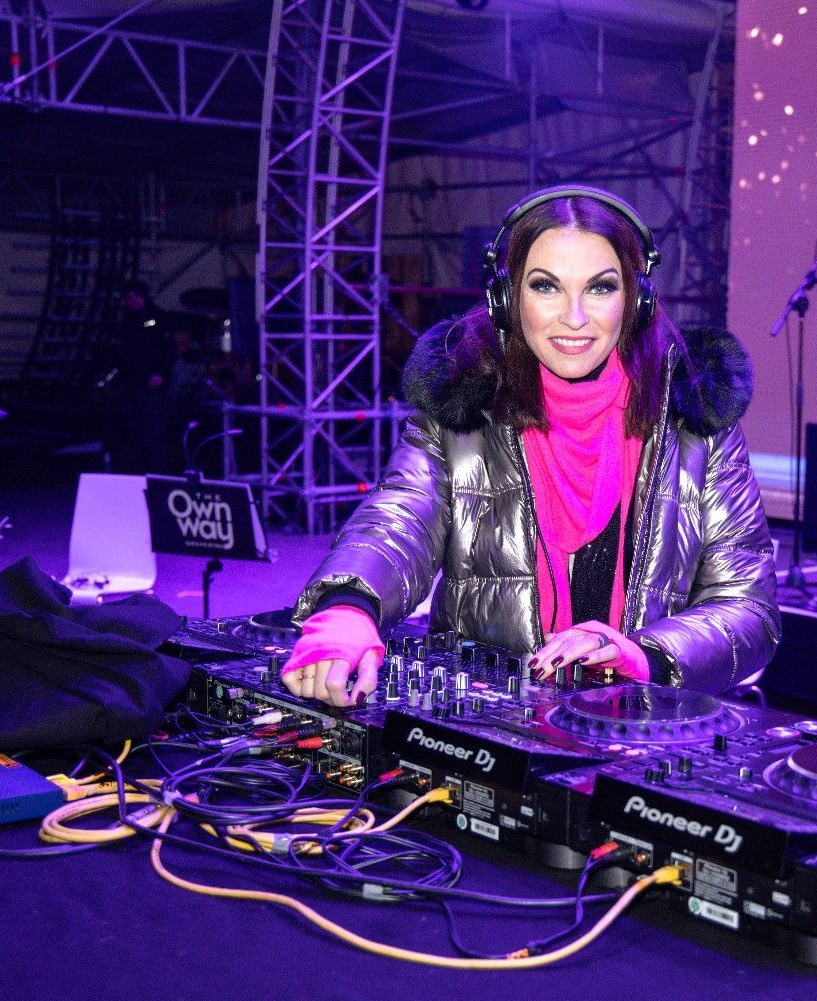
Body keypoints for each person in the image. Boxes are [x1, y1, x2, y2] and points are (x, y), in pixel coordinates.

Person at [282, 185, 778, 705]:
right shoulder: (462, 402)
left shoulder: (696, 416)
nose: (575, 317)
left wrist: (648, 656)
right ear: (507, 298)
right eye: (546, 287)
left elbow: (750, 609)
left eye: (600, 288)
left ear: (636, 299)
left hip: (642, 723)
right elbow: (398, 521)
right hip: (488, 719)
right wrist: (348, 605)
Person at [103, 279, 176, 473]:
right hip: (130, 383)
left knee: (152, 429)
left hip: (151, 384)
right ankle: (138, 470)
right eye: (129, 297)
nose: (132, 300)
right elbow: (120, 352)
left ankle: (155, 471)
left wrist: (161, 373)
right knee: (133, 429)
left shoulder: (158, 318)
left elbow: (168, 350)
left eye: (136, 296)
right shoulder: (125, 322)